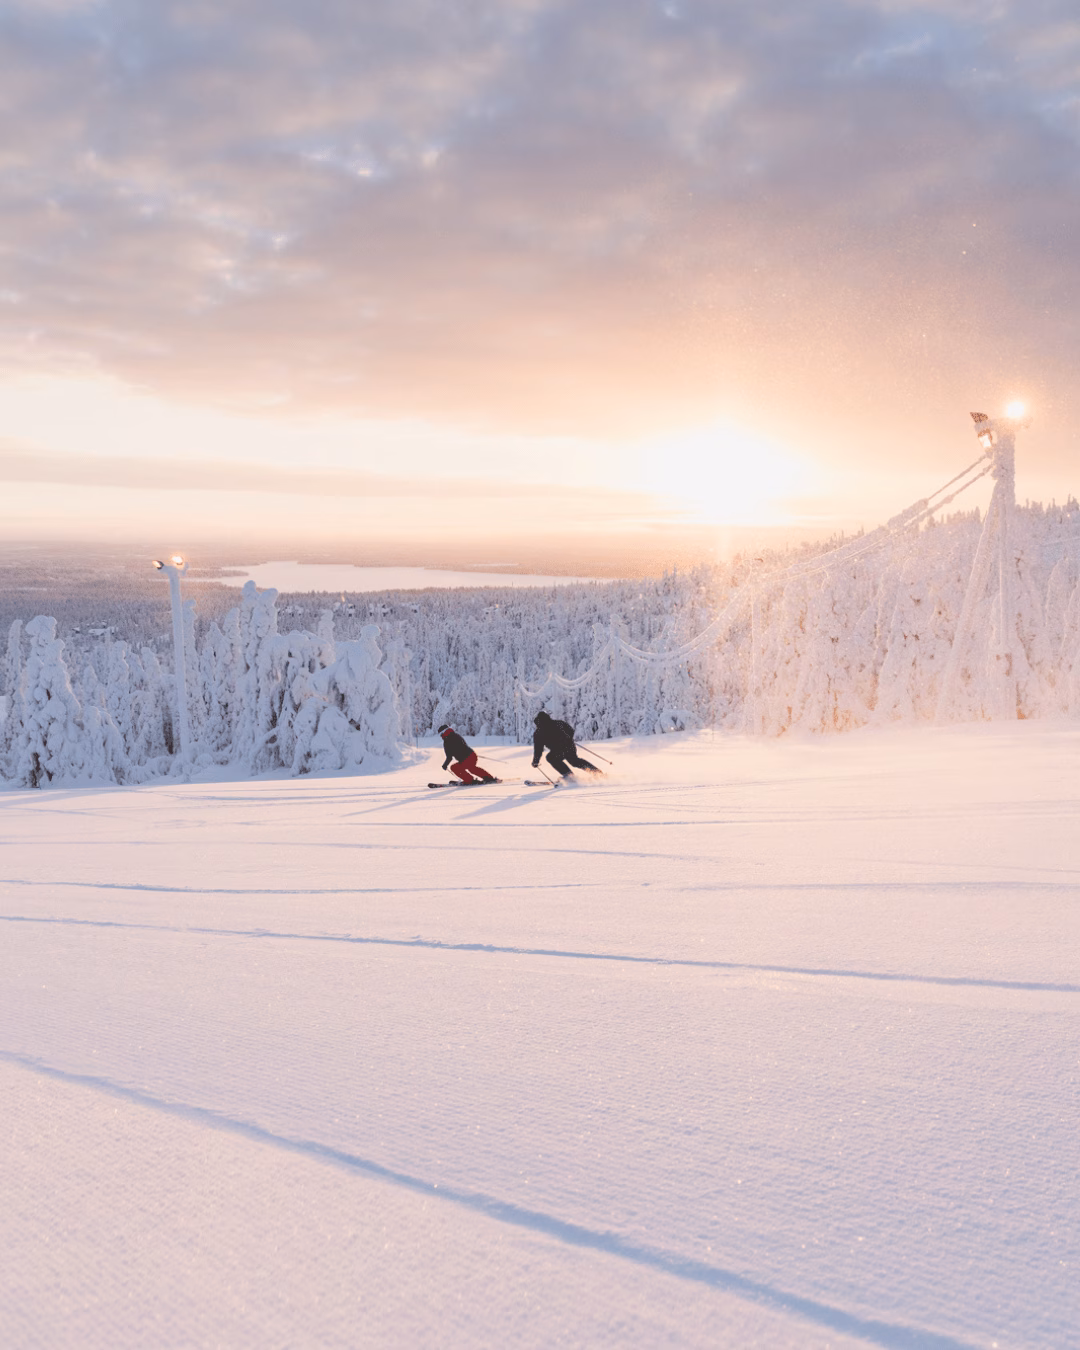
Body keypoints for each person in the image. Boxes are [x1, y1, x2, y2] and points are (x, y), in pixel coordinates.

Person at [531, 710, 601, 778]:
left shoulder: (538, 733)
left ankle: (568, 775)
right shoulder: (559, 723)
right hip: (569, 746)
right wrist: (569, 739)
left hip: (558, 750)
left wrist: (535, 761)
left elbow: (538, 749)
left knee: (551, 758)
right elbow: (571, 730)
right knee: (574, 761)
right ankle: (597, 772)